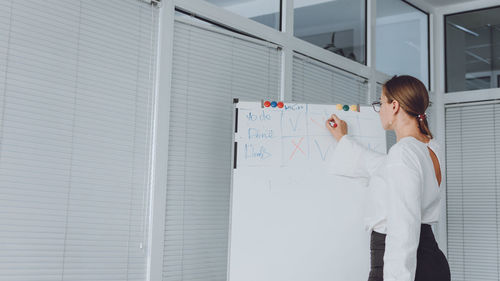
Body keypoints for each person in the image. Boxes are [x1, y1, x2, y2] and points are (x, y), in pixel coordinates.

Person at [325, 75, 451, 281]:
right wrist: (343, 139)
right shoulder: (429, 147)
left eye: (380, 103)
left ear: (394, 106)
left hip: (405, 267)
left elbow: (403, 228)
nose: (379, 109)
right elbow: (378, 165)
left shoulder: (403, 152)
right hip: (429, 262)